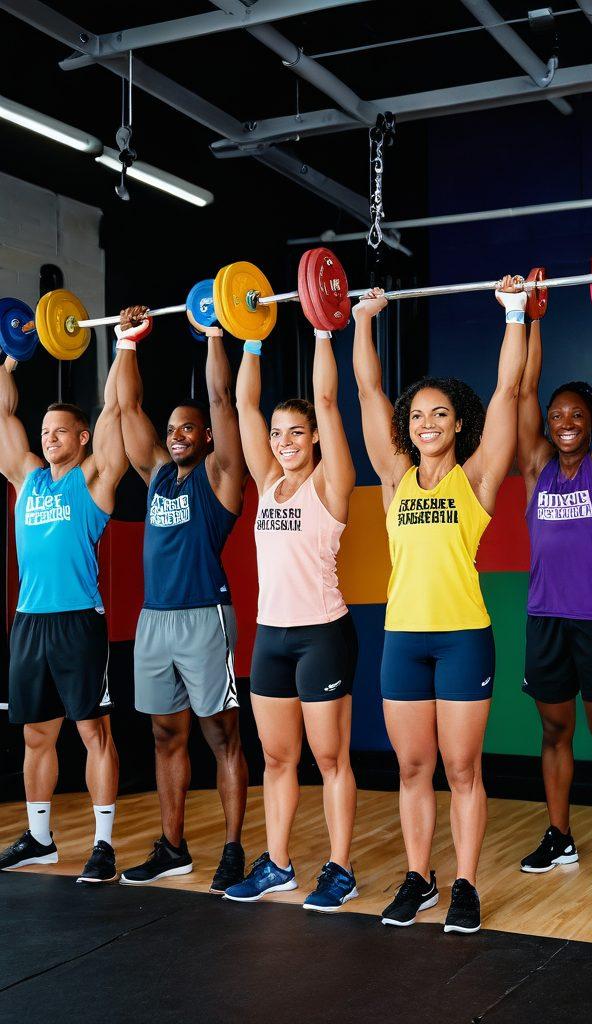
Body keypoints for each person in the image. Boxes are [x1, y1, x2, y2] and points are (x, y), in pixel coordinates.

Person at [352, 278, 527, 934]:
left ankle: (464, 885)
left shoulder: (476, 478)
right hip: (404, 638)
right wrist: (363, 321)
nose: (426, 424)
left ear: (458, 424)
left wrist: (513, 313)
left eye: (439, 415)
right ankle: (417, 876)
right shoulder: (394, 478)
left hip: (462, 638)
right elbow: (369, 391)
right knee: (413, 767)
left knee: (461, 768)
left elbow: (509, 392)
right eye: (418, 416)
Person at [114, 306, 249, 894]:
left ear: (208, 438)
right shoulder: (157, 476)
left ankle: (232, 850)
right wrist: (126, 342)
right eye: (173, 428)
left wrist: (214, 333)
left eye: (187, 428)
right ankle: (173, 847)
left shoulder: (220, 480)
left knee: (221, 736)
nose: (176, 433)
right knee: (165, 735)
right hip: (154, 622)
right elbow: (127, 409)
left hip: (204, 618)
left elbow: (222, 397)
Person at [225, 323, 359, 912]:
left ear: (314, 439)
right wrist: (251, 339)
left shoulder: (331, 486)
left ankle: (340, 868)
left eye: (295, 433)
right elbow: (242, 403)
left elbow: (327, 401)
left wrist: (323, 332)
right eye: (278, 434)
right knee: (277, 759)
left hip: (322, 636)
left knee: (330, 759)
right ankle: (277, 864)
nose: (283, 441)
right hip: (271, 638)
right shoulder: (266, 482)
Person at [0, 326, 129, 882]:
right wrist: (7, 364)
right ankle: (40, 838)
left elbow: (116, 411)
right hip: (28, 622)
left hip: (78, 619)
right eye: (45, 429)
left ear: (81, 438)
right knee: (36, 734)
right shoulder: (26, 477)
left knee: (93, 731)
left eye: (60, 431)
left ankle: (103, 846)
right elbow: (4, 420)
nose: (49, 437)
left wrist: (124, 344)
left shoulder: (94, 480)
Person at [515, 313, 592, 882]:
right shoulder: (537, 467)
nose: (564, 423)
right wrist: (533, 320)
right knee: (554, 732)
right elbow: (523, 393)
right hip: (545, 621)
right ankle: (560, 836)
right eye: (557, 416)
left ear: (591, 424)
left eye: (576, 416)